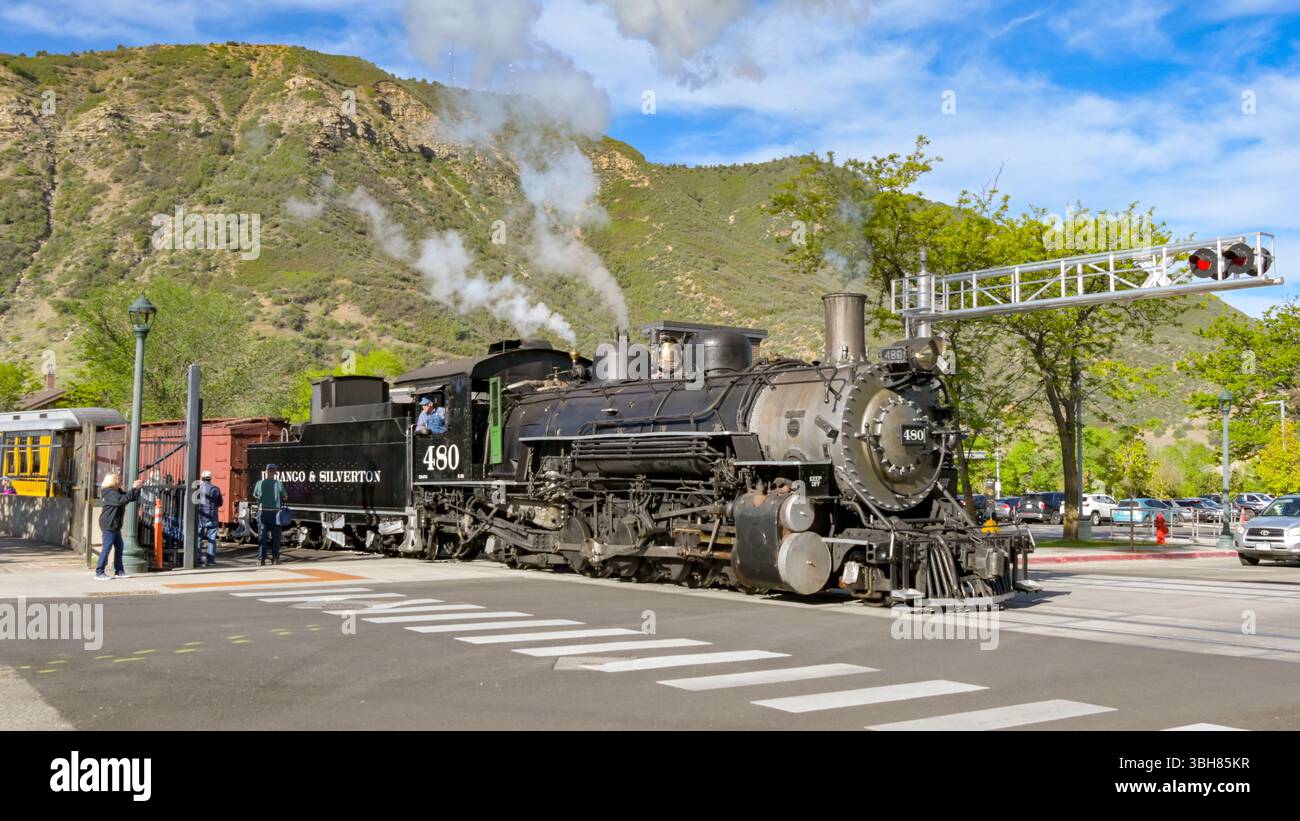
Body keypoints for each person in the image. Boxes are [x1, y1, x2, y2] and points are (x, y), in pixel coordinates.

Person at [96, 472, 145, 580]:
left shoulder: (117, 491)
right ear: (113, 481)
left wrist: (137, 488)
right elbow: (121, 500)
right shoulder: (108, 492)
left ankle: (119, 571)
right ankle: (99, 572)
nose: (121, 481)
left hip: (115, 525)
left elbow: (130, 497)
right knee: (107, 547)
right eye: (119, 479)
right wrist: (133, 488)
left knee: (119, 547)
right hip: (109, 523)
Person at [253, 464, 288, 566]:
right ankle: (275, 559)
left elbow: (256, 495)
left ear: (266, 471)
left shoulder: (259, 483)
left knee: (262, 536)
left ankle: (261, 560)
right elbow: (285, 497)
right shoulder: (279, 483)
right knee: (276, 537)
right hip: (275, 513)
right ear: (275, 473)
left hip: (262, 512)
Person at [197, 469, 224, 568]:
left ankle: (197, 559)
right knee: (212, 538)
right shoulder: (216, 489)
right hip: (213, 516)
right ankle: (211, 560)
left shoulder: (198, 489)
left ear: (202, 478)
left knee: (198, 538)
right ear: (210, 478)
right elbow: (220, 503)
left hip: (201, 516)